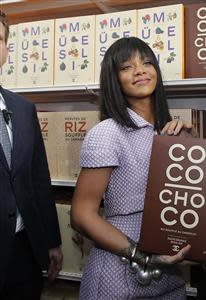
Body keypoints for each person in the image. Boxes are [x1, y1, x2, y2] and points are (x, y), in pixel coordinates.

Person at [70, 37, 193, 299]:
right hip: (119, 271)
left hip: (169, 276)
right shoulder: (107, 133)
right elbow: (81, 215)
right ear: (113, 79)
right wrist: (142, 255)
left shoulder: (170, 132)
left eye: (147, 62)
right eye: (127, 67)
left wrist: (191, 146)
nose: (140, 70)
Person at [0, 10, 63, 299]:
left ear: (6, 50)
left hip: (24, 253)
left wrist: (52, 241)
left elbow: (38, 180)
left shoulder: (24, 109)